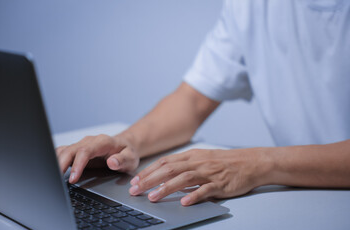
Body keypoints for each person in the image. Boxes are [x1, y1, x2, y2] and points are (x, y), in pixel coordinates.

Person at [57, 0, 350, 206]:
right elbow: (193, 100)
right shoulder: (249, 5)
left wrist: (260, 163)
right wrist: (126, 143)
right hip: (304, 201)